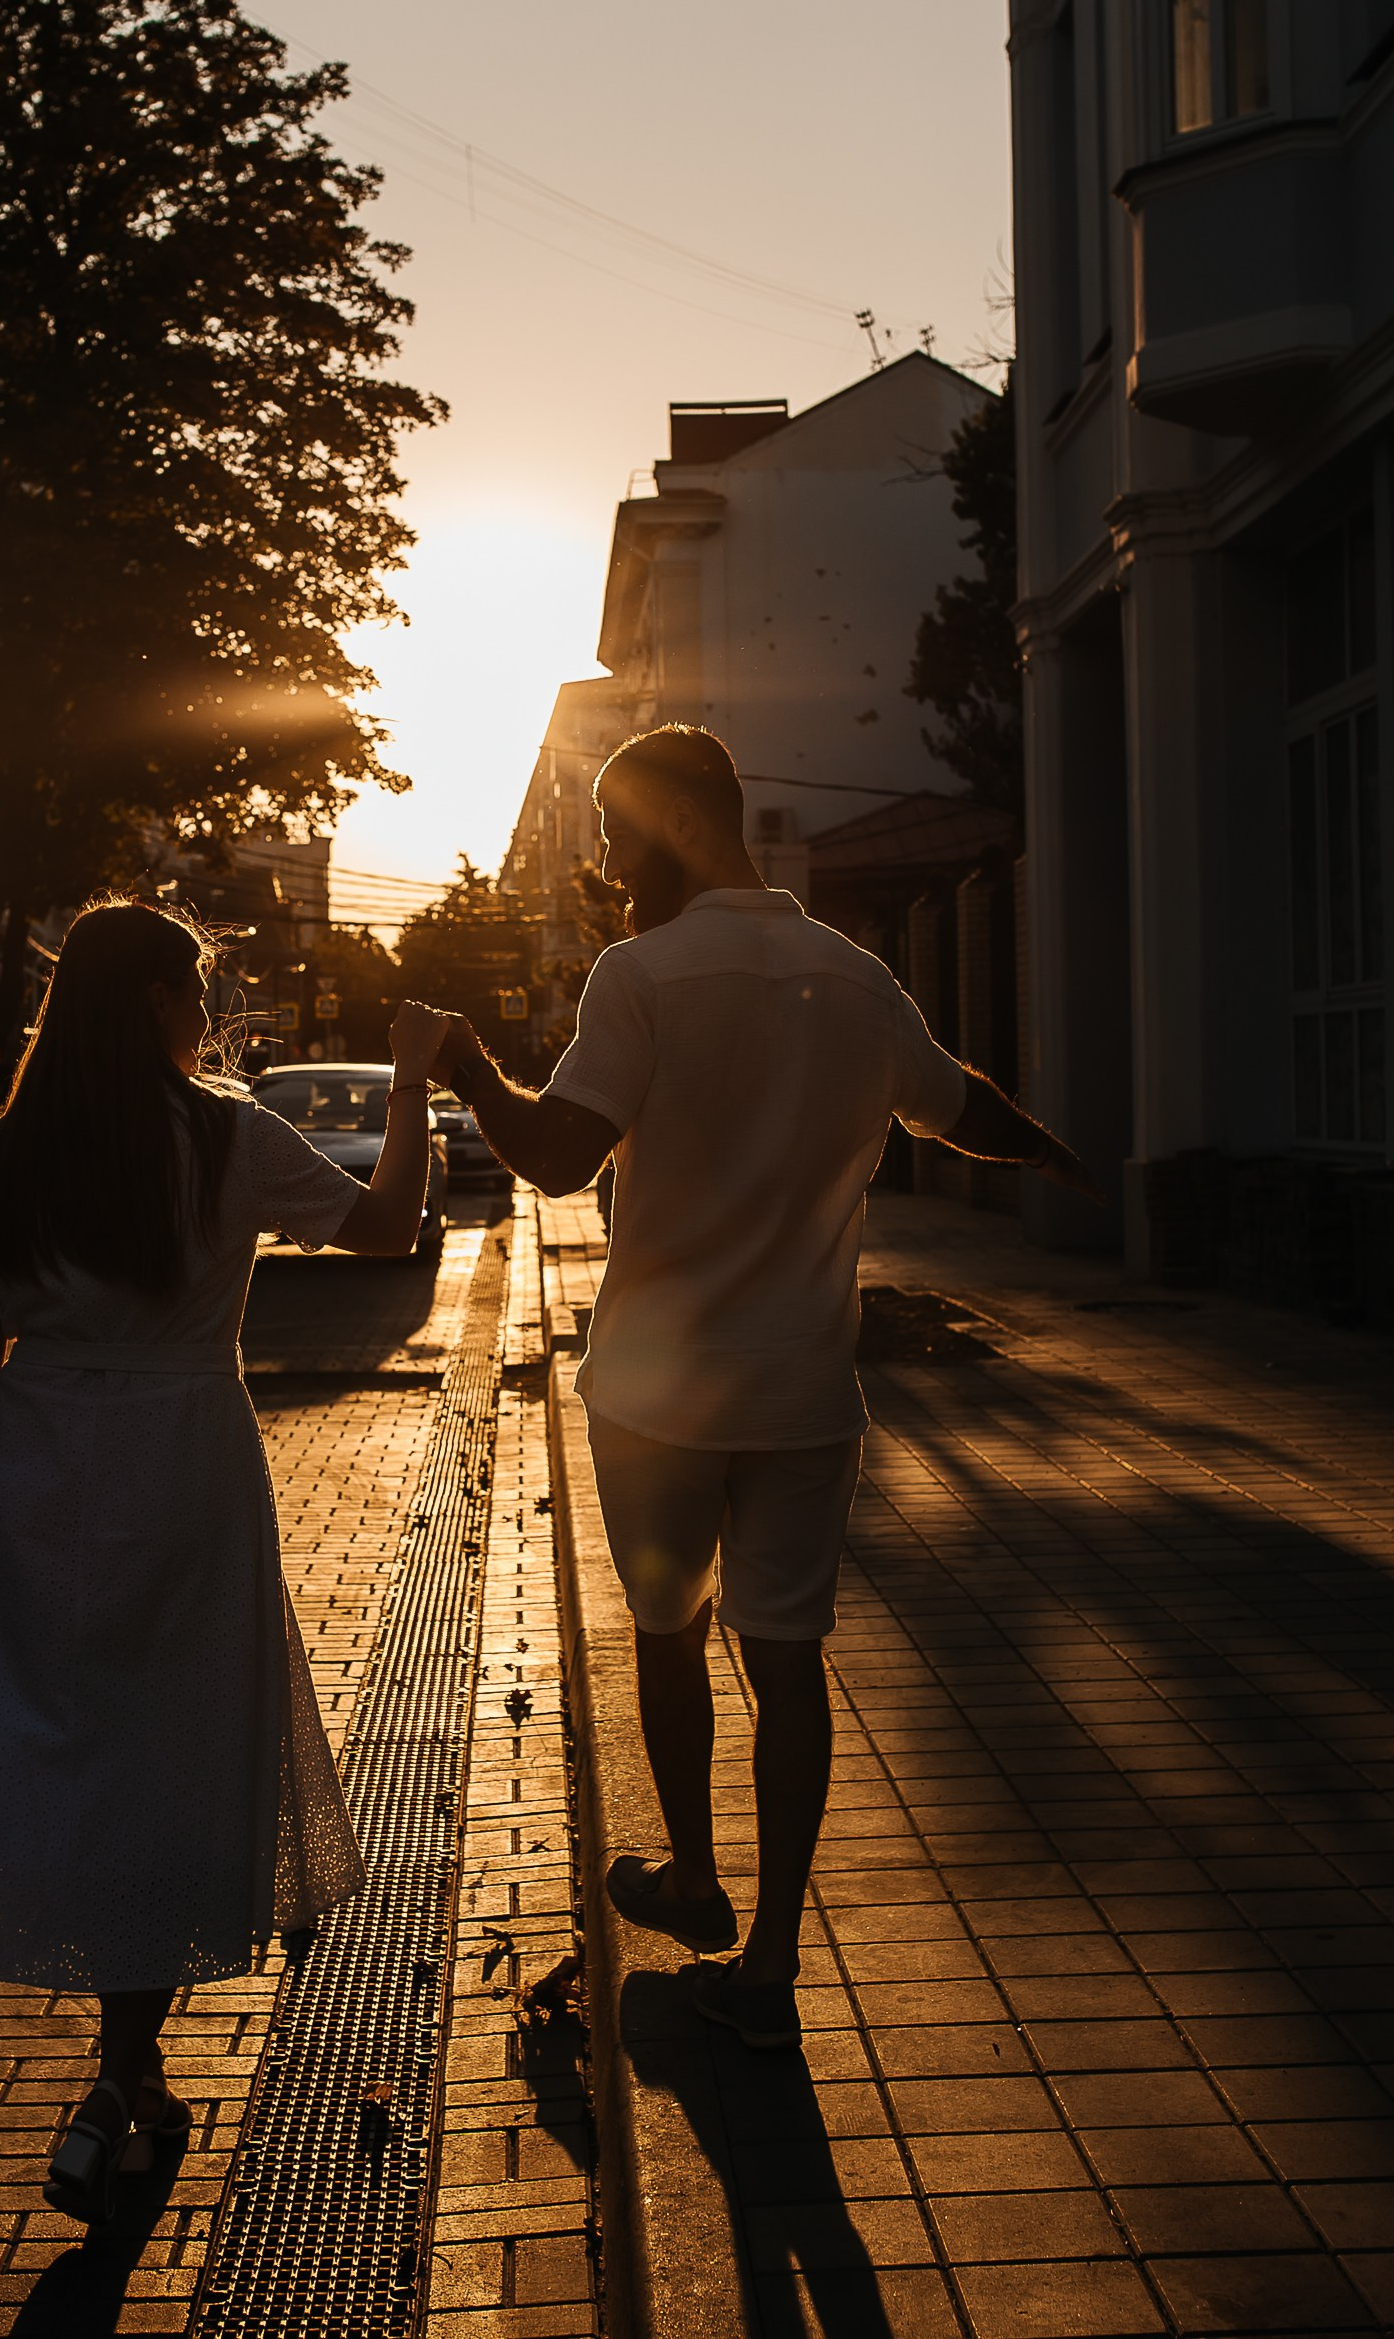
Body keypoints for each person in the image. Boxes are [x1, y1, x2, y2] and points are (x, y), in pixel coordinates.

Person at [434, 724, 1096, 2050]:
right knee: (788, 1665)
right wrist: (1064, 1161)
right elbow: (961, 1108)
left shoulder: (641, 978)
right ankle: (777, 1953)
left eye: (619, 841)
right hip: (802, 1390)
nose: (611, 871)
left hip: (657, 1396)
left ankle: (693, 1874)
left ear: (677, 827)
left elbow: (561, 1157)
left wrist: (466, 1070)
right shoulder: (855, 979)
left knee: (670, 1638)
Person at [0, 896, 450, 2222]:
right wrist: (408, 1080)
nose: (205, 1011)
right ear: (149, 1002)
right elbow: (390, 1226)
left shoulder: (4, 1160)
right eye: (193, 988)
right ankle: (126, 2074)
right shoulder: (224, 1139)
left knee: (76, 1756)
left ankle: (125, 2072)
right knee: (174, 1759)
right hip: (183, 1466)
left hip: (40, 1479)